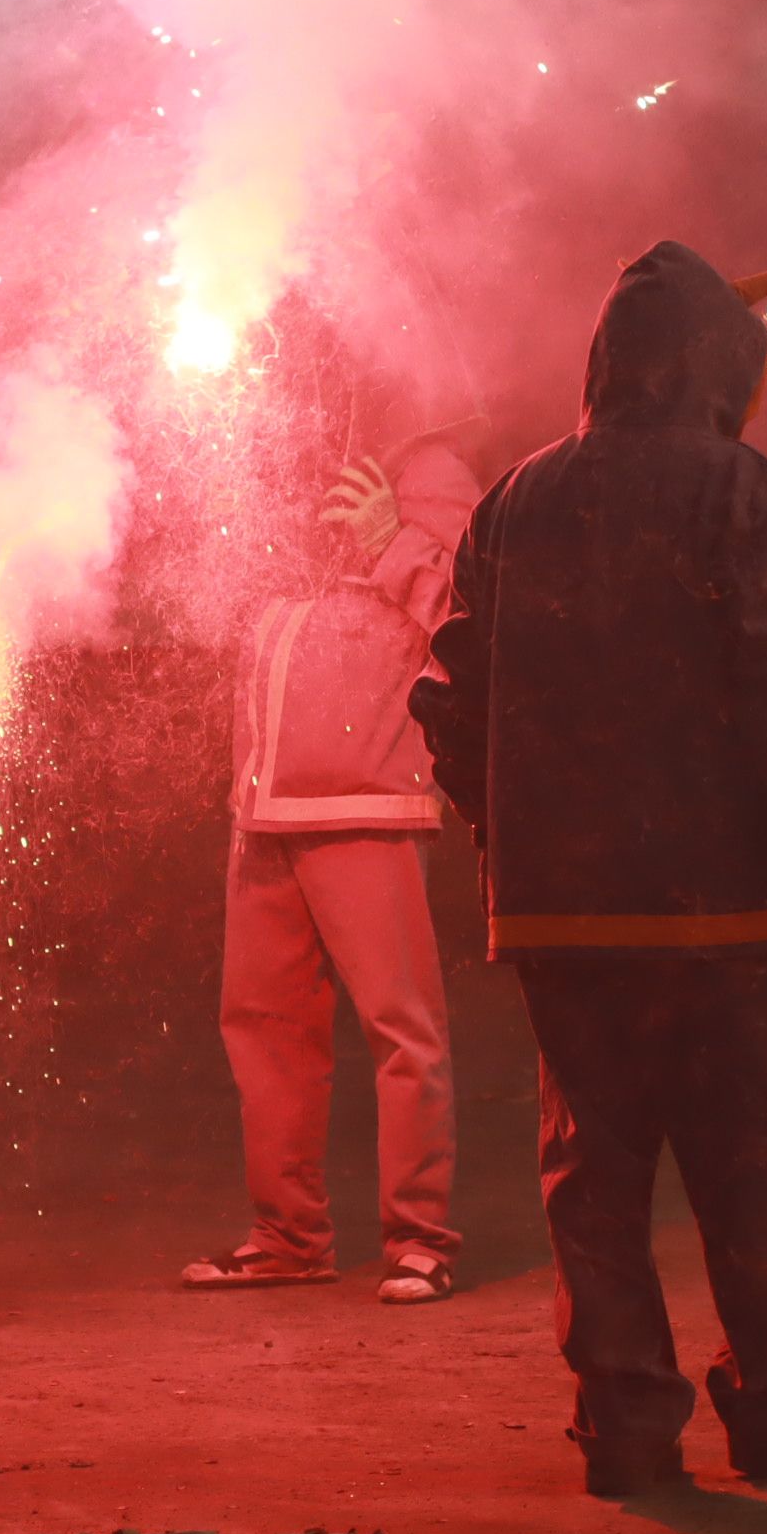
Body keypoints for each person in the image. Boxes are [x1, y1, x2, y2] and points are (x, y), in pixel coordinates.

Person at [412, 241, 767, 1497]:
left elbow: (450, 699)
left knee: (595, 1175)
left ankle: (626, 1427)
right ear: (714, 372)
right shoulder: (738, 492)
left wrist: (507, 840)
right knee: (758, 1162)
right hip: (724, 910)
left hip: (564, 916)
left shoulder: (514, 498)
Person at [182, 418, 483, 1305]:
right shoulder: (285, 445)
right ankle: (287, 1236)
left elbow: (473, 617)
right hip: (265, 802)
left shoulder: (429, 468)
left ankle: (422, 1239)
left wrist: (392, 540)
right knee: (265, 1030)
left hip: (368, 797)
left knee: (402, 1028)